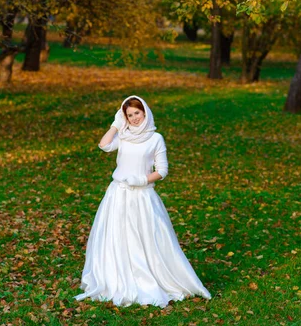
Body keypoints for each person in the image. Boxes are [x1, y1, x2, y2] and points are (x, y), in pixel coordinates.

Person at [75, 95, 211, 308]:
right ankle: (117, 276)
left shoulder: (156, 138)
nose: (134, 118)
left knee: (146, 237)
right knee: (117, 235)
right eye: (129, 115)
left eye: (137, 113)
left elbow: (162, 171)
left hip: (142, 196)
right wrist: (115, 125)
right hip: (118, 194)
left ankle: (151, 277)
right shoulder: (124, 135)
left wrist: (141, 180)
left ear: (145, 112)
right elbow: (104, 145)